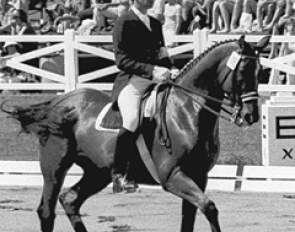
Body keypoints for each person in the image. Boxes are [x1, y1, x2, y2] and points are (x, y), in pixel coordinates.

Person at [112, 0, 174, 193]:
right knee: (131, 120)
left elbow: (161, 52)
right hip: (134, 81)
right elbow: (121, 60)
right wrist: (152, 70)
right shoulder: (123, 22)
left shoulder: (155, 23)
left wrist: (171, 68)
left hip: (158, 78)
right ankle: (119, 174)